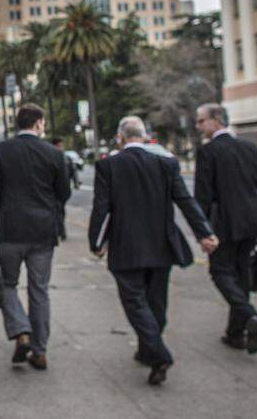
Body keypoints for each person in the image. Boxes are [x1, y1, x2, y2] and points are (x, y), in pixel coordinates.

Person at [89, 116, 218, 385]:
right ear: (146, 137)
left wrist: (97, 242)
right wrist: (204, 233)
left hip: (126, 247)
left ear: (120, 138)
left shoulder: (108, 166)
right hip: (162, 244)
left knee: (135, 302)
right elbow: (185, 201)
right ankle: (148, 350)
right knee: (156, 302)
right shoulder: (166, 164)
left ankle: (157, 353)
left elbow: (101, 209)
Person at [0, 103, 70, 370]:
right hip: (43, 233)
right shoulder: (54, 154)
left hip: (9, 231)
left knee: (6, 284)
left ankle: (21, 331)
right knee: (39, 290)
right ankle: (39, 351)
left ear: (18, 123)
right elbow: (63, 194)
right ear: (39, 123)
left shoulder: (2, 150)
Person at [194, 103, 257, 355]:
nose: (199, 126)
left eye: (201, 121)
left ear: (216, 121)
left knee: (220, 272)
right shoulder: (249, 147)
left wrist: (202, 230)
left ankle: (248, 316)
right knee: (241, 273)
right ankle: (236, 332)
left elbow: (203, 195)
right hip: (251, 222)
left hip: (224, 223)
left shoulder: (209, 152)